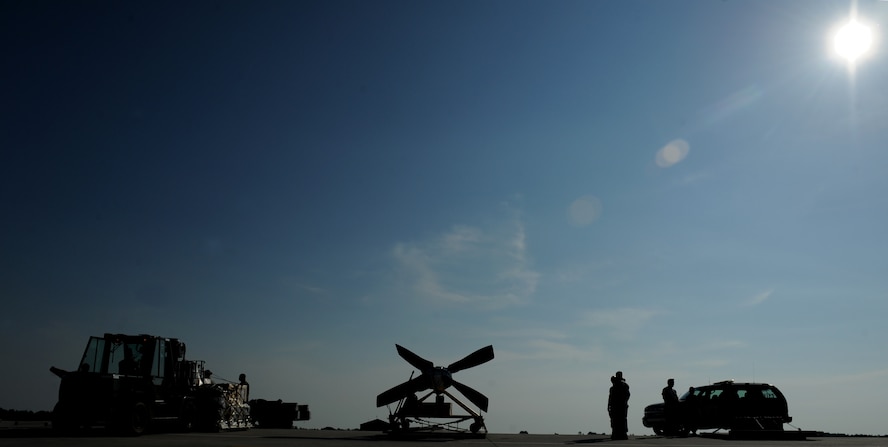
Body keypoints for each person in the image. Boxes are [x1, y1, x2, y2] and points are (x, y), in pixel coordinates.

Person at [607, 371, 630, 440]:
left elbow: (627, 395)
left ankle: (621, 434)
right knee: (617, 420)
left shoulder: (623, 386)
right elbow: (610, 397)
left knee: (620, 420)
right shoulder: (614, 387)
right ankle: (617, 434)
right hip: (617, 406)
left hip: (620, 405)